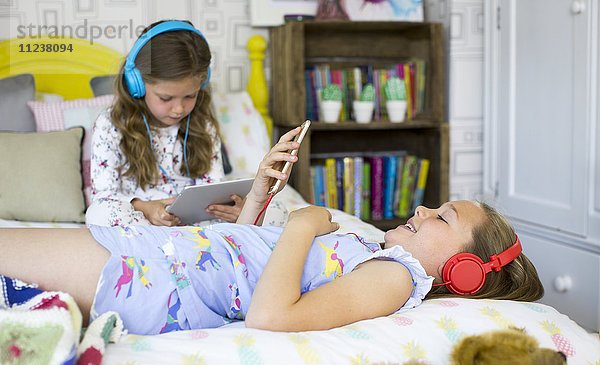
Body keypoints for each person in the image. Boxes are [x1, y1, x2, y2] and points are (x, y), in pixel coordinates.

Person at [0, 125, 544, 334]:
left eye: (442, 217)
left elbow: (268, 314)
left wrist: (303, 225)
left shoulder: (396, 279)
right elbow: (250, 264)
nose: (423, 210)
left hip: (150, 279)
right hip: (162, 256)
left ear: (465, 271)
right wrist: (260, 194)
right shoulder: (376, 250)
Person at [86, 19, 242, 227]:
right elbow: (104, 195)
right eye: (166, 98)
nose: (179, 109)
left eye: (190, 96)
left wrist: (230, 208)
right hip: (140, 220)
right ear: (137, 84)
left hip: (191, 224)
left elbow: (212, 188)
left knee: (271, 209)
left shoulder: (203, 125)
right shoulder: (111, 124)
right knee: (99, 213)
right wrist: (145, 208)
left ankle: (184, 246)